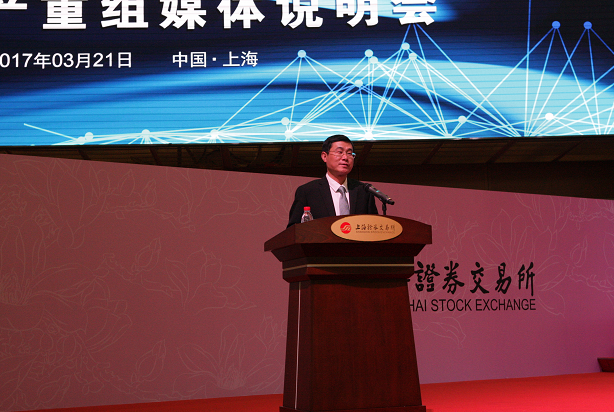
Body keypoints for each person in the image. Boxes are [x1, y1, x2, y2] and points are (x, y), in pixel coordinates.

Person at [287, 134, 378, 227]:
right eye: (339, 152)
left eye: (349, 153)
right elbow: (293, 229)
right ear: (324, 156)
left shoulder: (364, 191)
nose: (345, 157)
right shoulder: (308, 192)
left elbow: (375, 227)